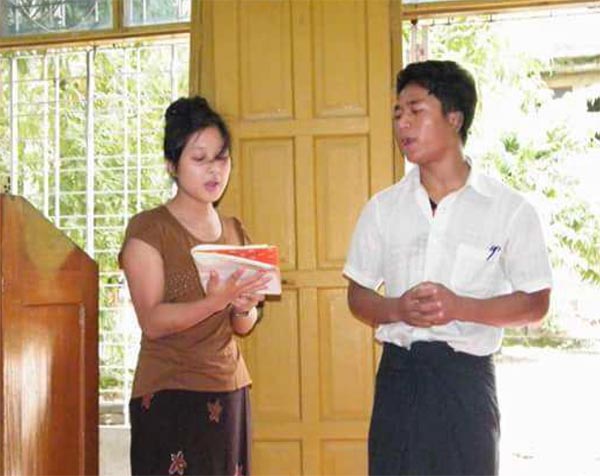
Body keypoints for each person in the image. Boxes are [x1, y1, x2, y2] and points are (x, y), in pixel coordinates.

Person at [343, 60, 552, 476]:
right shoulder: (383, 208)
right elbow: (358, 296)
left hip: (466, 382)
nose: (402, 123)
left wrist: (461, 307)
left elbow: (536, 302)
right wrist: (397, 309)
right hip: (400, 377)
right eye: (398, 113)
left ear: (453, 118)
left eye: (416, 110)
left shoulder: (508, 209)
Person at [119, 96, 271, 476]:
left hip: (229, 387)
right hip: (170, 392)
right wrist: (215, 301)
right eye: (199, 159)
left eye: (221, 157)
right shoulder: (148, 229)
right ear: (172, 165)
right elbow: (152, 320)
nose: (214, 170)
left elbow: (243, 325)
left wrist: (242, 306)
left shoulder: (235, 230)